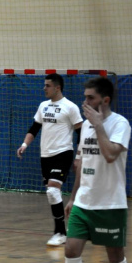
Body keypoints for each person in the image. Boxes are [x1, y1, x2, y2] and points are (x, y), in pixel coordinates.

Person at [50, 76, 132, 263]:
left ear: (105, 100)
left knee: (115, 257)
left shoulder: (120, 124)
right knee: (71, 250)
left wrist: (98, 126)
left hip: (110, 205)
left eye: (90, 97)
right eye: (84, 97)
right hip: (84, 202)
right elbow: (81, 163)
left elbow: (109, 155)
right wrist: (73, 197)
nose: (85, 101)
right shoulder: (85, 126)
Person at [17, 74, 83, 246]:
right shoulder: (43, 106)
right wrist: (25, 144)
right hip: (45, 155)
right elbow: (34, 128)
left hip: (63, 153)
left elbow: (81, 133)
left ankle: (60, 232)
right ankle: (63, 231)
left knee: (53, 190)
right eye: (44, 85)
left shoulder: (70, 107)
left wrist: (78, 157)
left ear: (57, 87)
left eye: (47, 86)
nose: (44, 88)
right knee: (52, 194)